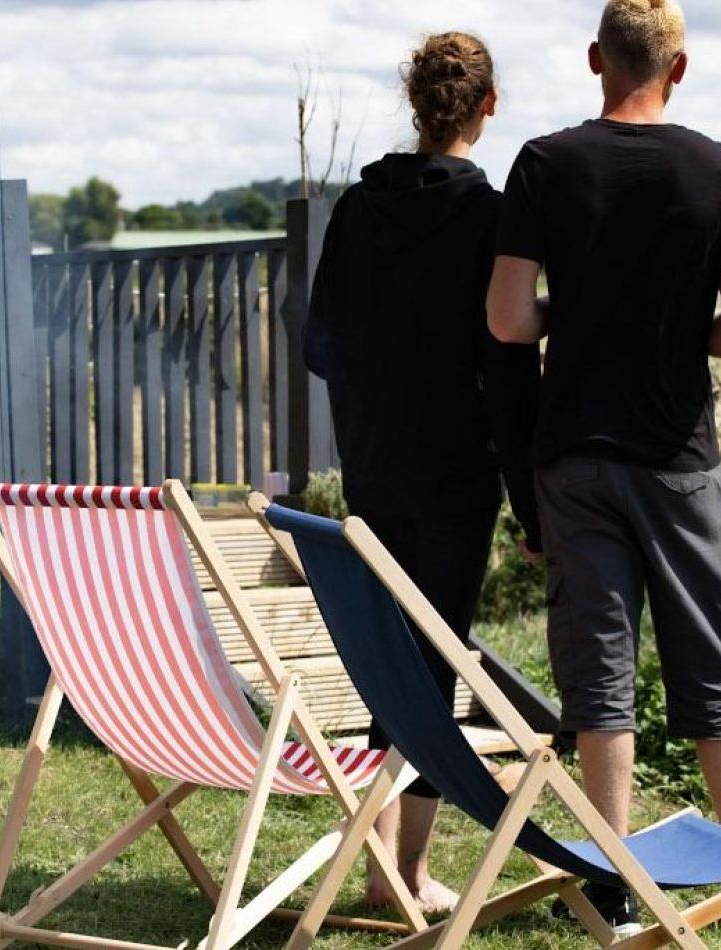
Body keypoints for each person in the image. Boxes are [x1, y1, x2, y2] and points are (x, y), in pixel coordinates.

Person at [486, 0, 721, 937]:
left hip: (573, 449)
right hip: (677, 454)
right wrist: (672, 341)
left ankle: (614, 877)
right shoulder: (720, 170)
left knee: (599, 669)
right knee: (709, 656)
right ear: (680, 67)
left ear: (595, 61)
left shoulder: (544, 163)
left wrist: (575, 326)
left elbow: (507, 320)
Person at [305, 31, 542, 914]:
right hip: (454, 472)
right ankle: (399, 871)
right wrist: (533, 505)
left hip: (372, 463)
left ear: (417, 105)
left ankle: (383, 864)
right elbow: (509, 367)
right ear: (488, 107)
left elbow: (317, 344)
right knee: (432, 664)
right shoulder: (490, 216)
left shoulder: (360, 209)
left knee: (383, 661)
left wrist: (381, 382)